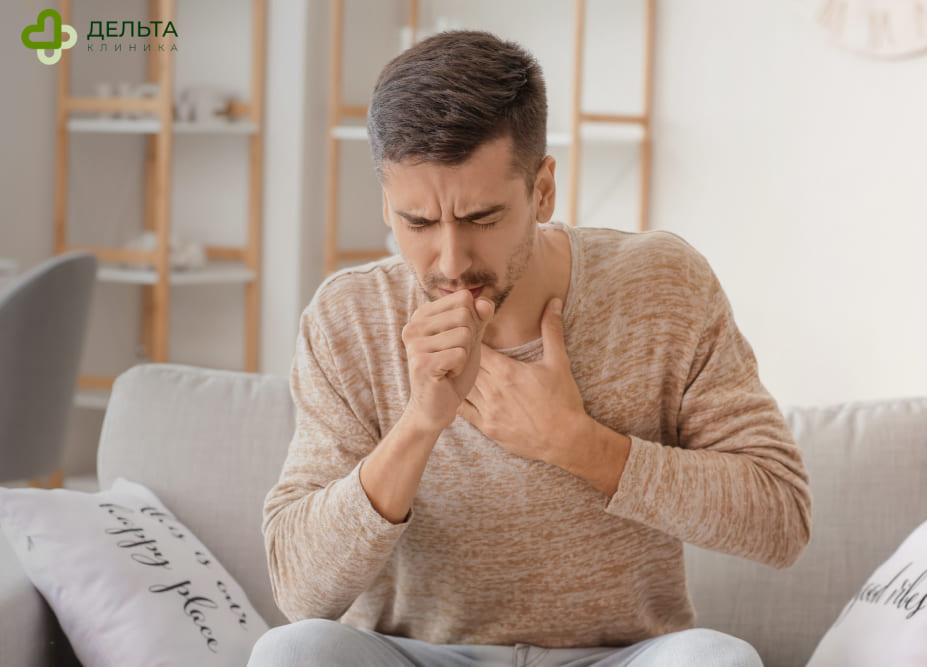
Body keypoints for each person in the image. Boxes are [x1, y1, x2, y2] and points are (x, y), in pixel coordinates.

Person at [248, 30, 811, 667]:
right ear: (386, 202)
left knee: (718, 660)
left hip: (619, 657)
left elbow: (781, 520)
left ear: (542, 190)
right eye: (418, 222)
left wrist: (575, 443)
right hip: (414, 656)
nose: (450, 261)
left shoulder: (662, 284)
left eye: (482, 218)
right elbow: (300, 592)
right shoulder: (348, 316)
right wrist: (420, 423)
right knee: (291, 652)